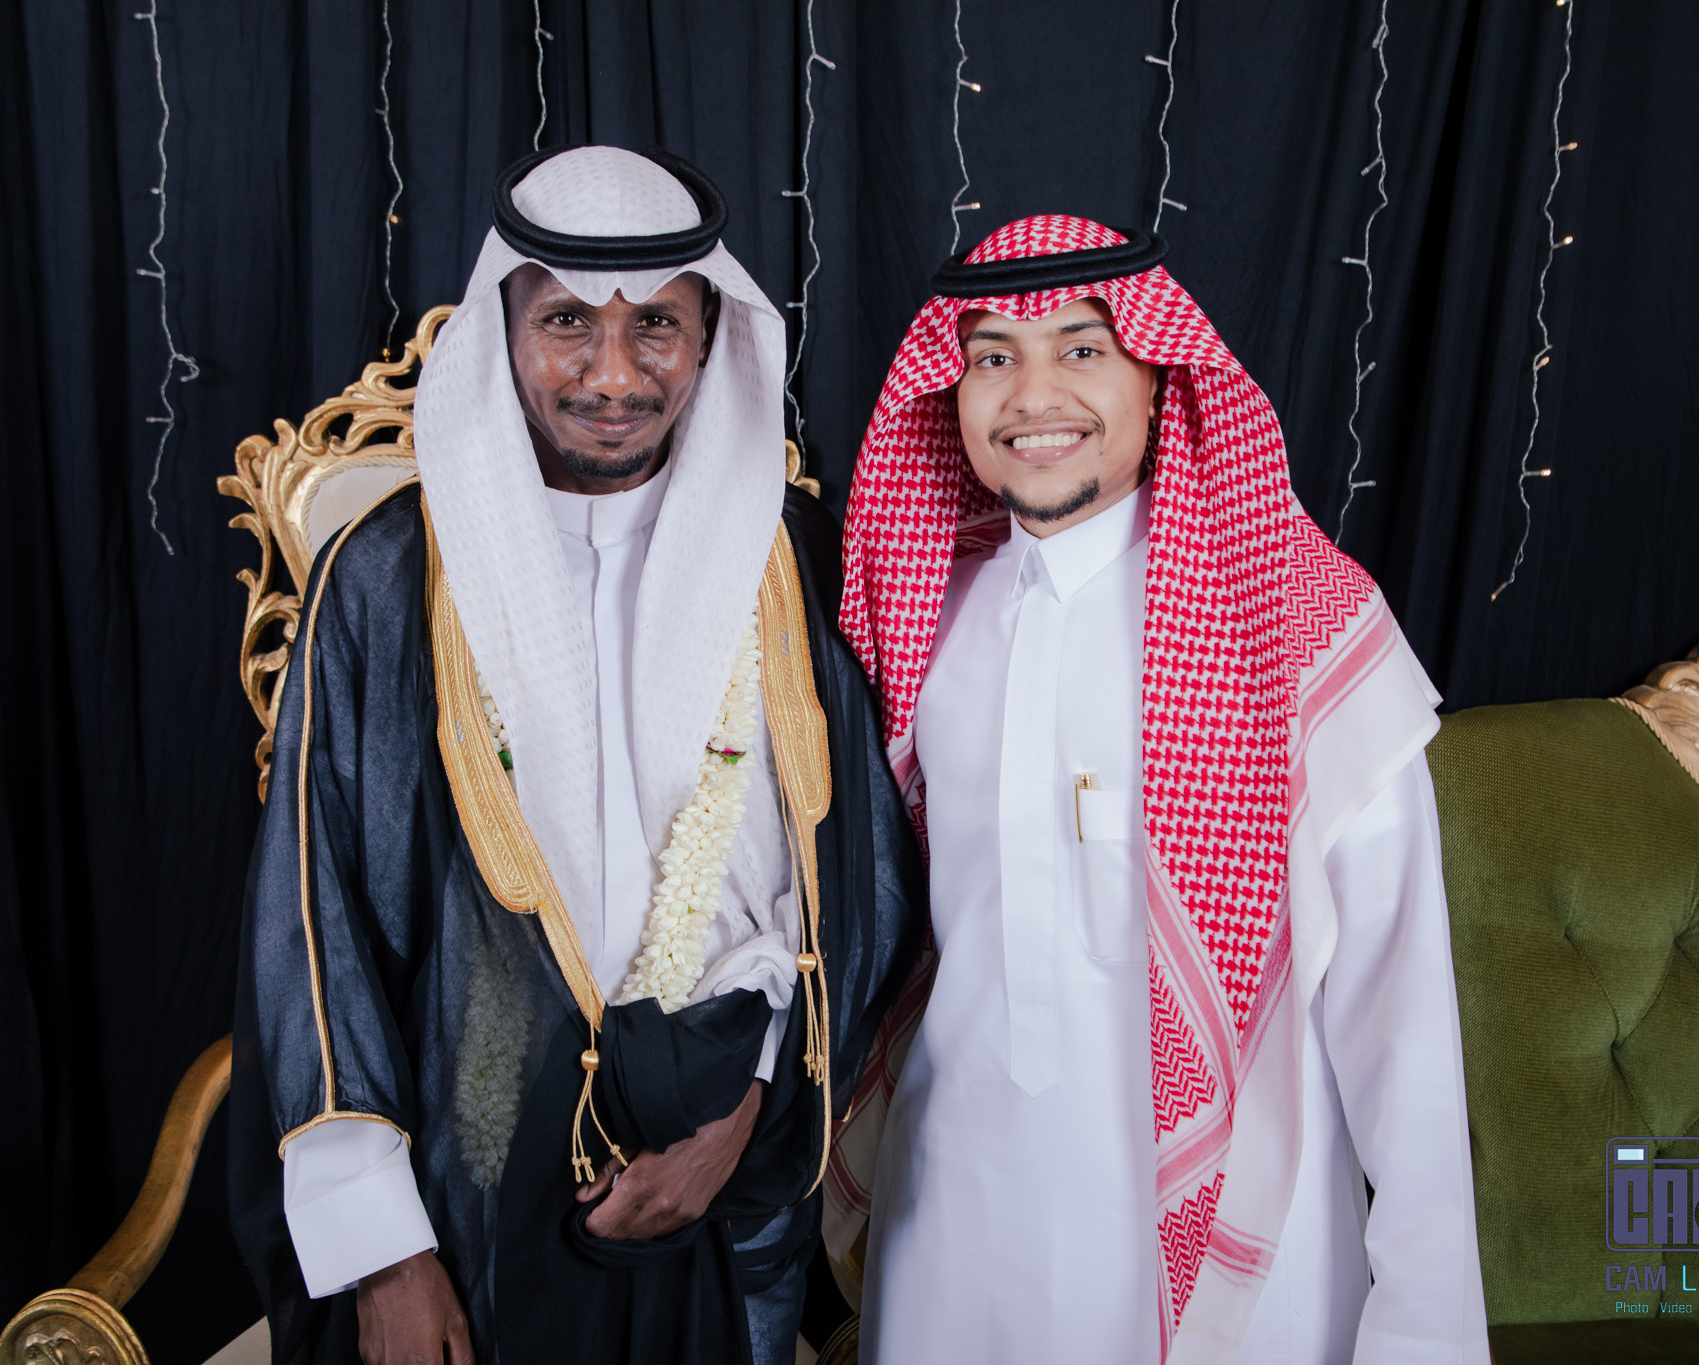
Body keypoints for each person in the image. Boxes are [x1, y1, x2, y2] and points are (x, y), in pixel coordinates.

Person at [230, 145, 923, 1365]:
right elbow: (311, 921)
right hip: (465, 1180)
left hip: (717, 1186)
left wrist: (743, 1114)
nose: (613, 374)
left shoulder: (790, 560)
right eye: (565, 322)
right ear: (504, 330)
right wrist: (383, 1256)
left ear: (709, 337)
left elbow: (853, 879)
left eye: (655, 323)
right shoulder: (386, 577)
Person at [833, 216, 1488, 1363]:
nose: (1033, 394)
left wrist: (1424, 1329)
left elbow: (1399, 1010)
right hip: (953, 1233)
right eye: (991, 356)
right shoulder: (924, 621)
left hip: (1236, 1238)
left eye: (1082, 348)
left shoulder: (1293, 625)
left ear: (1157, 377)